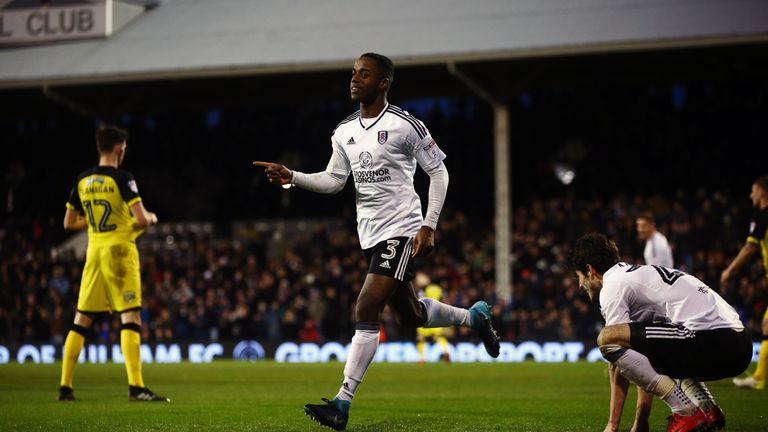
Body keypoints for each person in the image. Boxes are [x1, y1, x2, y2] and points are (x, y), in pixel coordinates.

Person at [254, 52, 499, 431]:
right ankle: (474, 316)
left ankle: (341, 402)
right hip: (369, 234)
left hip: (401, 230)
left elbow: (440, 173)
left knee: (365, 307)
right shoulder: (344, 131)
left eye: (364, 75)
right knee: (410, 316)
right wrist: (293, 177)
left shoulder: (406, 125)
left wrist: (429, 225)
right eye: (353, 73)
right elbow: (335, 181)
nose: (354, 80)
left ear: (383, 82)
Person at [569, 233, 751, 432]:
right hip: (738, 343)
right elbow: (642, 355)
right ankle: (707, 409)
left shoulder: (612, 286)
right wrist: (641, 420)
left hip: (712, 338)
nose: (580, 285)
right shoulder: (637, 274)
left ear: (590, 270)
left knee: (607, 337)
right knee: (646, 347)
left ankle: (685, 412)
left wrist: (613, 425)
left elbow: (616, 352)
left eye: (579, 277)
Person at [58, 126, 169, 402]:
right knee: (130, 317)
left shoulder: (82, 180)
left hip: (94, 252)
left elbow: (68, 223)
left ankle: (65, 387)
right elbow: (141, 220)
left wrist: (95, 225)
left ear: (100, 148)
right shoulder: (123, 177)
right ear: (119, 149)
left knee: (81, 319)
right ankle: (136, 387)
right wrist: (152, 219)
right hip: (119, 253)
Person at [604, 212, 676, 432]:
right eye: (638, 226)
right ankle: (639, 422)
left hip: (661, 305)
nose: (640, 230)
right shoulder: (655, 243)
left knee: (632, 354)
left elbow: (655, 275)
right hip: (663, 301)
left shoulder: (657, 245)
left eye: (643, 226)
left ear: (652, 225)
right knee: (639, 355)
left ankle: (628, 423)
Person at [722, 175, 768, 390]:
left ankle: (759, 377)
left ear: (762, 193)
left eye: (753, 191)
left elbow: (750, 248)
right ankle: (759, 377)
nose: (751, 195)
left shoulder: (762, 215)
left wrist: (730, 270)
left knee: (767, 325)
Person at [414, 273, 452, 363]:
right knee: (438, 336)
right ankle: (446, 351)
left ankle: (422, 358)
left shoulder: (424, 289)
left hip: (425, 315)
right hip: (437, 315)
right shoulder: (439, 289)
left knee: (421, 338)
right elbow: (444, 301)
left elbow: (420, 300)